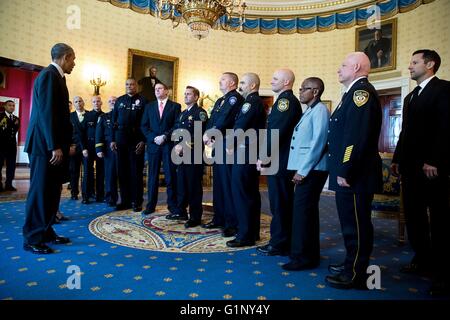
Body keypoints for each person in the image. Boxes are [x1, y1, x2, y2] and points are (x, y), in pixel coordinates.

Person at [391, 49, 450, 296]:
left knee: (440, 221)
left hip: (433, 169)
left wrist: (434, 160)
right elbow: (405, 131)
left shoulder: (444, 89)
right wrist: (397, 159)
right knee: (414, 217)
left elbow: (446, 127)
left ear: (430, 64)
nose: (409, 66)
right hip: (410, 168)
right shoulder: (411, 96)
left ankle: (444, 273)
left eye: (414, 62)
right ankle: (422, 258)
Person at [325, 52, 382, 289]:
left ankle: (357, 274)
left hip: (355, 174)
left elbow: (354, 138)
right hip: (351, 173)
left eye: (343, 65)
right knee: (349, 223)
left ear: (357, 67)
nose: (339, 69)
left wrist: (346, 168)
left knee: (356, 225)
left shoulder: (361, 93)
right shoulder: (351, 94)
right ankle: (351, 263)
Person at [22, 43, 75, 254]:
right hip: (45, 147)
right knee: (40, 192)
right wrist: (54, 146)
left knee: (52, 191)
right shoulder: (48, 76)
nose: (74, 64)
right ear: (65, 57)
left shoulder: (58, 77)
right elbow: (45, 114)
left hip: (53, 147)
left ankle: (45, 230)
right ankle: (32, 237)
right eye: (73, 59)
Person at [282, 77, 329, 270]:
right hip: (307, 169)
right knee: (305, 212)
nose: (300, 92)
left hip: (312, 170)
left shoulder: (320, 111)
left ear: (315, 91)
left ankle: (302, 258)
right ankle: (308, 255)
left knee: (303, 213)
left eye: (304, 89)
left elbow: (318, 142)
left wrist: (302, 171)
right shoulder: (310, 110)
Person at [256, 68, 302, 256]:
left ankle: (279, 243)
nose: (271, 80)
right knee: (280, 203)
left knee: (280, 204)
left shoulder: (285, 101)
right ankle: (283, 240)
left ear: (286, 82)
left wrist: (264, 157)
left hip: (280, 162)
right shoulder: (285, 101)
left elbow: (277, 132)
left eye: (275, 78)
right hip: (281, 161)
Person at [226, 73, 266, 248]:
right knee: (250, 194)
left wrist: (229, 145)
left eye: (242, 83)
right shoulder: (257, 102)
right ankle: (252, 232)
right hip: (250, 152)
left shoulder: (250, 103)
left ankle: (244, 235)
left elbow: (240, 126)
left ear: (252, 86)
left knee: (242, 194)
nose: (239, 86)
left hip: (244, 152)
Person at [202, 72, 244, 237]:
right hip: (217, 143)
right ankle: (218, 217)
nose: (219, 81)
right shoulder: (220, 100)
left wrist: (211, 133)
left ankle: (231, 223)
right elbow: (212, 120)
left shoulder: (234, 98)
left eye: (223, 79)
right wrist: (208, 135)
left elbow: (225, 119)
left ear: (232, 82)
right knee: (218, 185)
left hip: (228, 145)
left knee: (227, 185)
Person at [141, 83, 181, 216]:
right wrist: (154, 138)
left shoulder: (175, 106)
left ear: (166, 91)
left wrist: (165, 136)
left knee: (171, 177)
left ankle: (173, 206)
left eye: (160, 88)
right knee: (152, 177)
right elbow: (144, 126)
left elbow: (177, 125)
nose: (157, 90)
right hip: (153, 146)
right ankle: (150, 205)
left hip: (168, 145)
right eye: (155, 89)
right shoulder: (149, 106)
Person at [172, 86, 208, 227]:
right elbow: (176, 131)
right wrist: (176, 145)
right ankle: (182, 212)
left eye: (189, 94)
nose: (185, 96)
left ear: (196, 97)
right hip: (181, 155)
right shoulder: (182, 114)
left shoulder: (200, 113)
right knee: (182, 185)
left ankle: (195, 217)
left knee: (193, 187)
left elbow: (199, 134)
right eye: (185, 93)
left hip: (194, 155)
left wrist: (183, 145)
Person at [111, 78, 147, 212]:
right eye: (127, 84)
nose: (129, 86)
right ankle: (125, 200)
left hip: (136, 141)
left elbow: (146, 123)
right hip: (121, 140)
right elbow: (113, 120)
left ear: (136, 86)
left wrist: (143, 140)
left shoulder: (144, 101)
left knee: (136, 172)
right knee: (122, 171)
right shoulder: (120, 100)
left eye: (132, 84)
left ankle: (137, 201)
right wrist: (113, 139)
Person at [96, 96, 118, 207]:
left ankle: (127, 199)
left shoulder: (122, 116)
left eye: (114, 101)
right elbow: (99, 133)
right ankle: (110, 198)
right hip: (109, 151)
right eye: (110, 101)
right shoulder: (103, 117)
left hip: (122, 149)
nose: (112, 103)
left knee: (124, 175)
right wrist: (99, 149)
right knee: (110, 175)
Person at [83, 95, 105, 202]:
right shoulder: (87, 116)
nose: (96, 103)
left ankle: (100, 195)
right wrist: (83, 148)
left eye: (98, 101)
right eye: (94, 101)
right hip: (89, 147)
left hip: (100, 148)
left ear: (101, 103)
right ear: (92, 103)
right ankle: (87, 195)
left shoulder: (105, 116)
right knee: (88, 172)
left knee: (101, 172)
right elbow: (82, 133)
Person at [0, 100, 20, 192]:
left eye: (13, 105)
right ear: (5, 106)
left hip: (12, 146)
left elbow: (14, 131)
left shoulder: (16, 118)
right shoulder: (0, 116)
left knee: (11, 166)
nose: (12, 107)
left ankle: (9, 184)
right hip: (1, 145)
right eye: (9, 105)